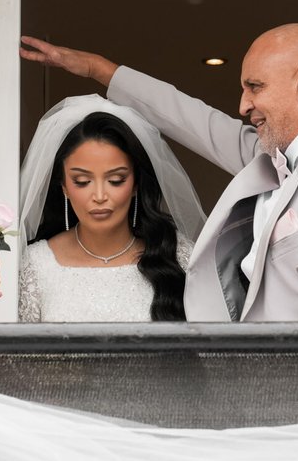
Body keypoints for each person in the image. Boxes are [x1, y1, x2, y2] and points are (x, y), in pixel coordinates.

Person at [20, 24, 298, 322]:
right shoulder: (273, 157)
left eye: (255, 87)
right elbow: (196, 122)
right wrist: (100, 70)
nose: (243, 105)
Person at [18, 96, 205, 322]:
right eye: (82, 181)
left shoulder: (176, 256)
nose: (99, 196)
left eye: (116, 180)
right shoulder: (35, 265)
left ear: (135, 184)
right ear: (64, 186)